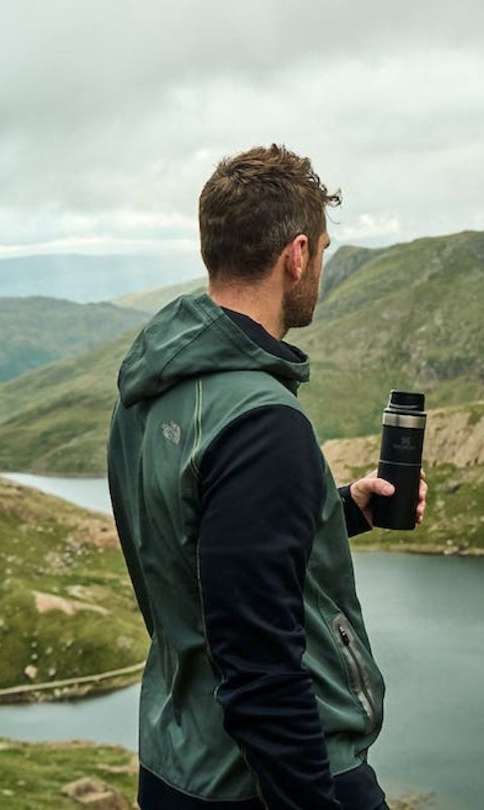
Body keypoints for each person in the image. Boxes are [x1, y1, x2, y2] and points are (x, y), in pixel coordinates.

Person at [107, 144, 422, 810]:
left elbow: (207, 547)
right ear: (297, 254)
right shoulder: (260, 421)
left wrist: (346, 509)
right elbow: (260, 672)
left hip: (176, 766)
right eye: (325, 250)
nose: (319, 269)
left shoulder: (148, 386)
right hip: (266, 783)